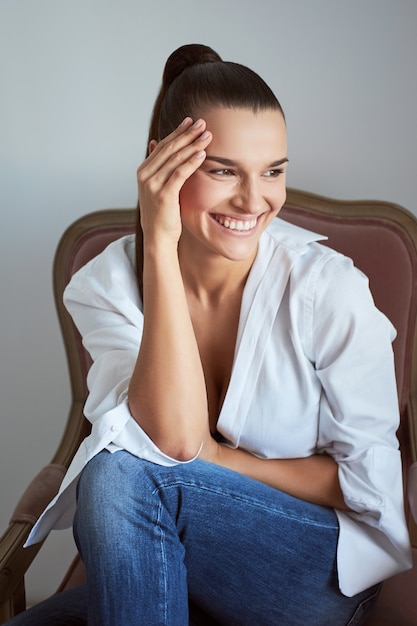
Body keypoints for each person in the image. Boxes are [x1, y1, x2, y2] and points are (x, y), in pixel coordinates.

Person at [10, 43, 412, 625]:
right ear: (160, 165)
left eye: (273, 171)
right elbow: (172, 438)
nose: (256, 200)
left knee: (116, 474)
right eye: (224, 170)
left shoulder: (328, 290)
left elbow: (367, 486)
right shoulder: (107, 286)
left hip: (318, 574)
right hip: (177, 558)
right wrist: (158, 243)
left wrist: (221, 459)